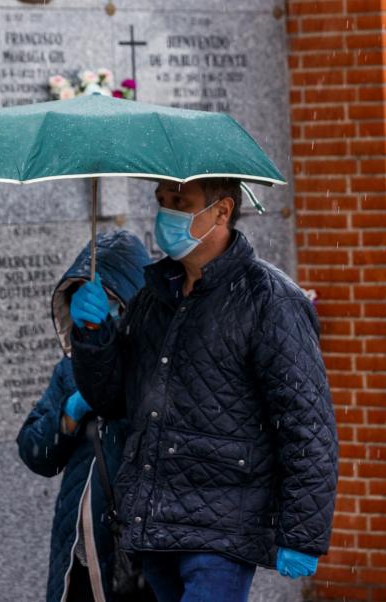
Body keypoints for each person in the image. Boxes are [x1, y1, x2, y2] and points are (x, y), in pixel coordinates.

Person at [67, 178, 338, 602]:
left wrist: (302, 532)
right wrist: (94, 337)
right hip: (155, 520)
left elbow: (307, 424)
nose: (165, 214)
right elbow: (114, 399)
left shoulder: (270, 300)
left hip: (222, 525)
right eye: (161, 202)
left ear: (222, 211)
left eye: (179, 202)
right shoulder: (152, 299)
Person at [17, 230, 153, 602]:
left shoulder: (152, 368)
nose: (95, 308)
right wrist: (71, 412)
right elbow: (35, 452)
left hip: (130, 553)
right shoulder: (69, 370)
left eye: (109, 299)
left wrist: (112, 389)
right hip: (76, 553)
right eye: (81, 293)